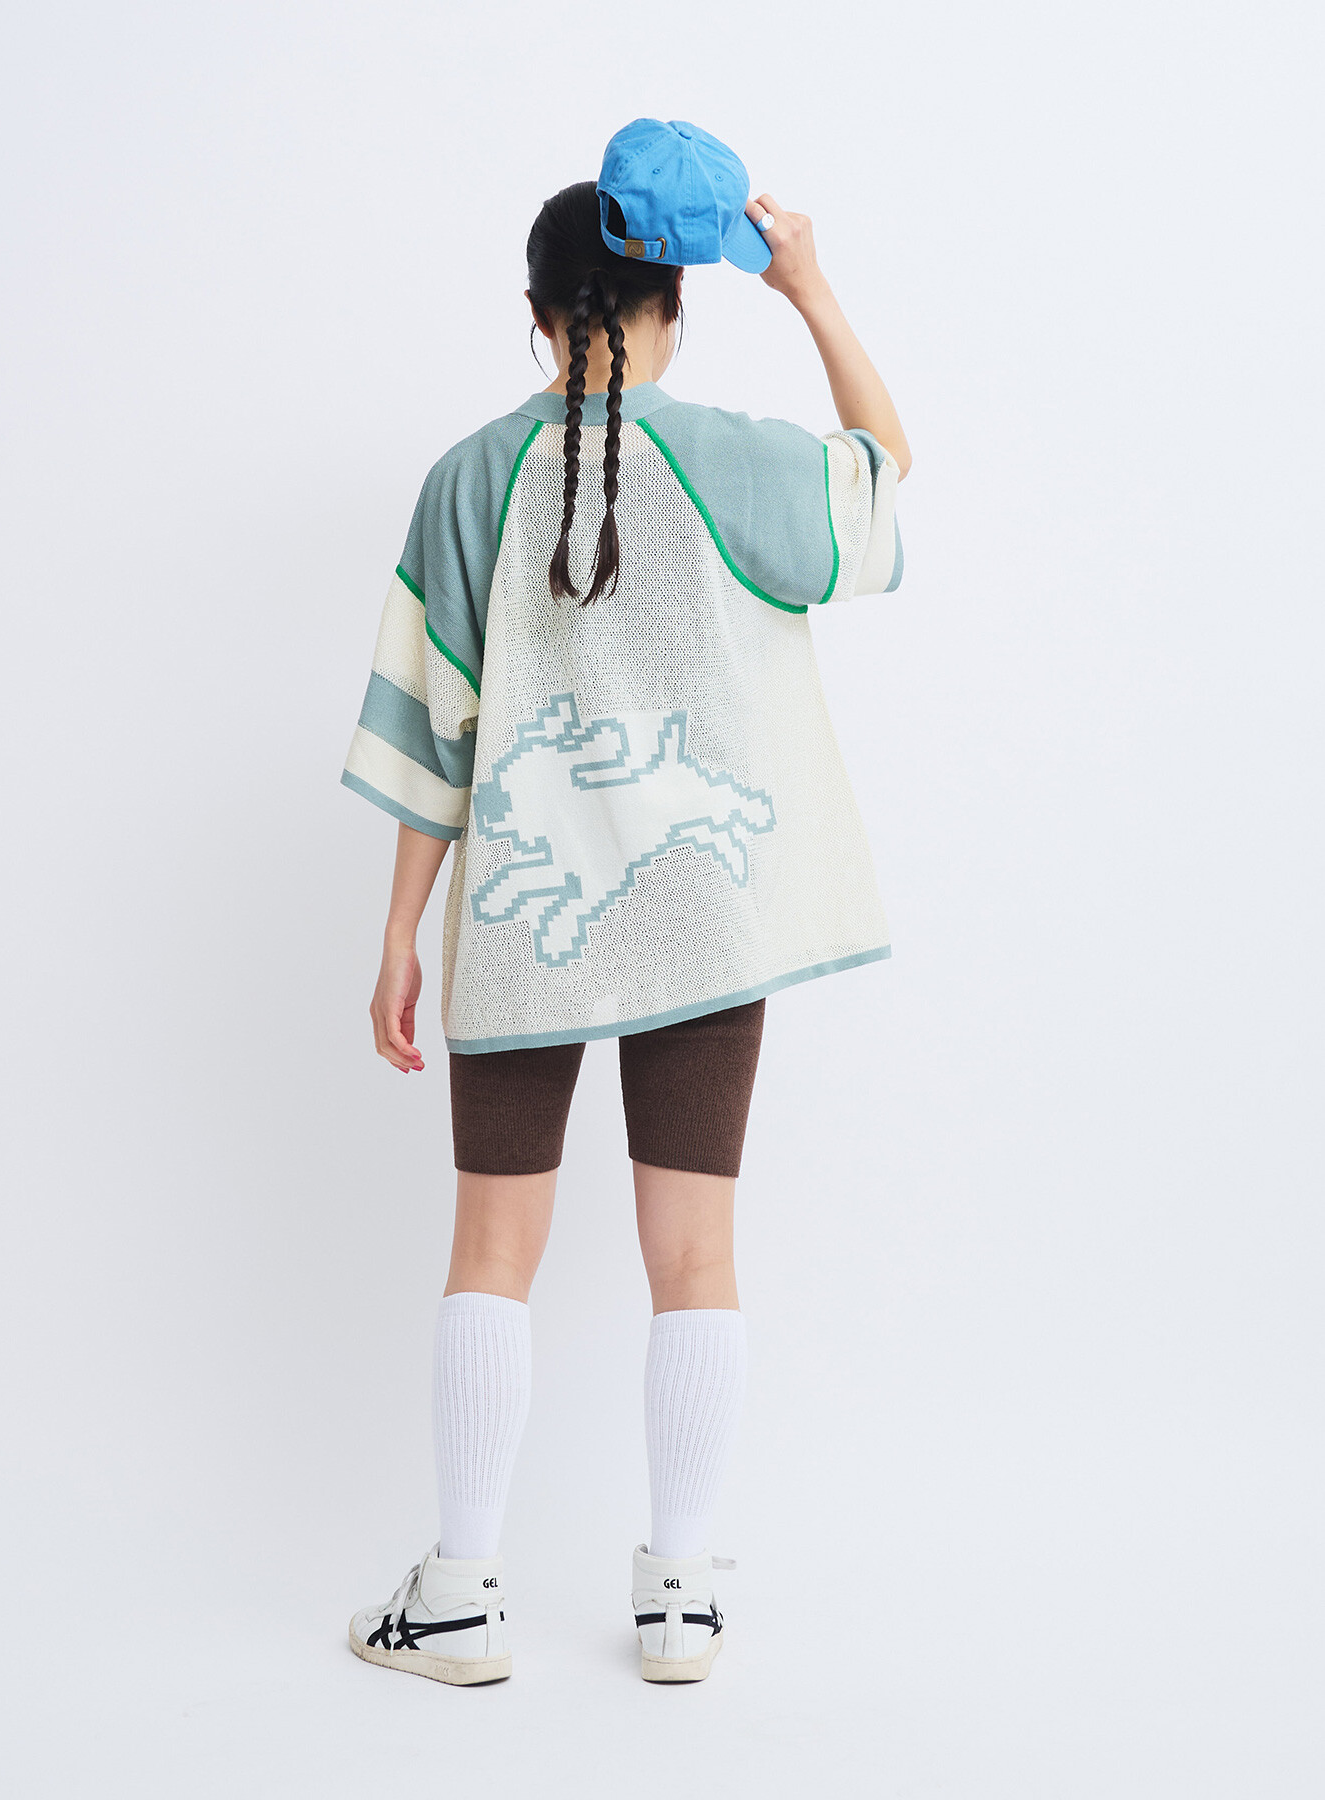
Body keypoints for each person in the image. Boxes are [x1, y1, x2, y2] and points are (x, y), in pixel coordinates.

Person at [340, 119, 910, 1685]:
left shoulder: (468, 479)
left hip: (523, 925)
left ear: (537, 314)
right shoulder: (737, 458)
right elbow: (883, 478)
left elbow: (431, 730)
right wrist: (811, 287)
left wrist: (398, 932)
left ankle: (459, 1596)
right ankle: (680, 1602)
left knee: (490, 1247)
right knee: (696, 1257)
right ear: (673, 307)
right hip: (703, 920)